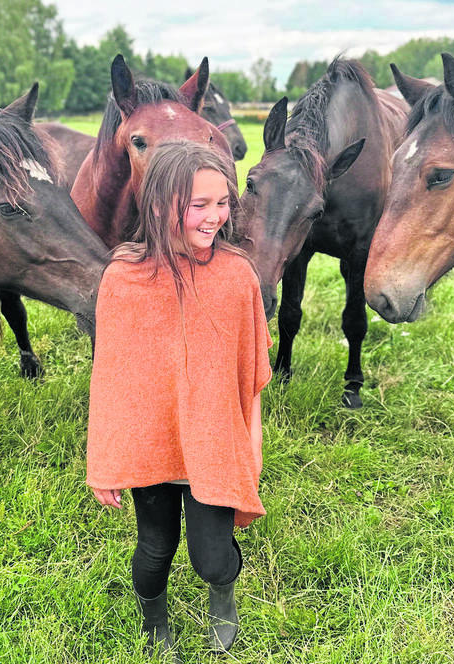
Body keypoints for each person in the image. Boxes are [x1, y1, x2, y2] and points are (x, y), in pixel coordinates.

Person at [86, 140, 272, 659]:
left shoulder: (237, 276)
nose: (216, 216)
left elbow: (251, 378)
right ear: (162, 204)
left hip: (213, 443)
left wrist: (251, 451)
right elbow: (111, 380)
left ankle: (223, 598)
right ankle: (154, 623)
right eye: (200, 205)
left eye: (223, 202)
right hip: (151, 449)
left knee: (212, 558)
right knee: (155, 550)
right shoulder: (123, 280)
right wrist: (105, 462)